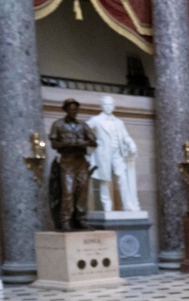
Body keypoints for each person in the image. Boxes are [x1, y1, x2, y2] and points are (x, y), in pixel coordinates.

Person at [49, 98, 97, 231]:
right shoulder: (58, 124)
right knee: (68, 191)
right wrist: (71, 144)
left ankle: (81, 219)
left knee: (82, 191)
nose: (74, 111)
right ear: (65, 110)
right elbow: (54, 144)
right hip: (67, 161)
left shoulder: (82, 125)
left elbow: (94, 142)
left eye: (76, 109)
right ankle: (65, 220)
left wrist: (85, 143)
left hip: (81, 160)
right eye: (71, 109)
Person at [86, 95, 139, 212]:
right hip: (103, 153)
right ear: (101, 106)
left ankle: (127, 204)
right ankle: (107, 205)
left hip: (117, 153)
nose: (108, 107)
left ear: (114, 106)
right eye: (106, 105)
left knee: (122, 178)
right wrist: (92, 141)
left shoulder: (119, 122)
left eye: (110, 105)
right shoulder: (96, 120)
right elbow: (85, 129)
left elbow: (125, 136)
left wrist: (131, 143)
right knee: (104, 179)